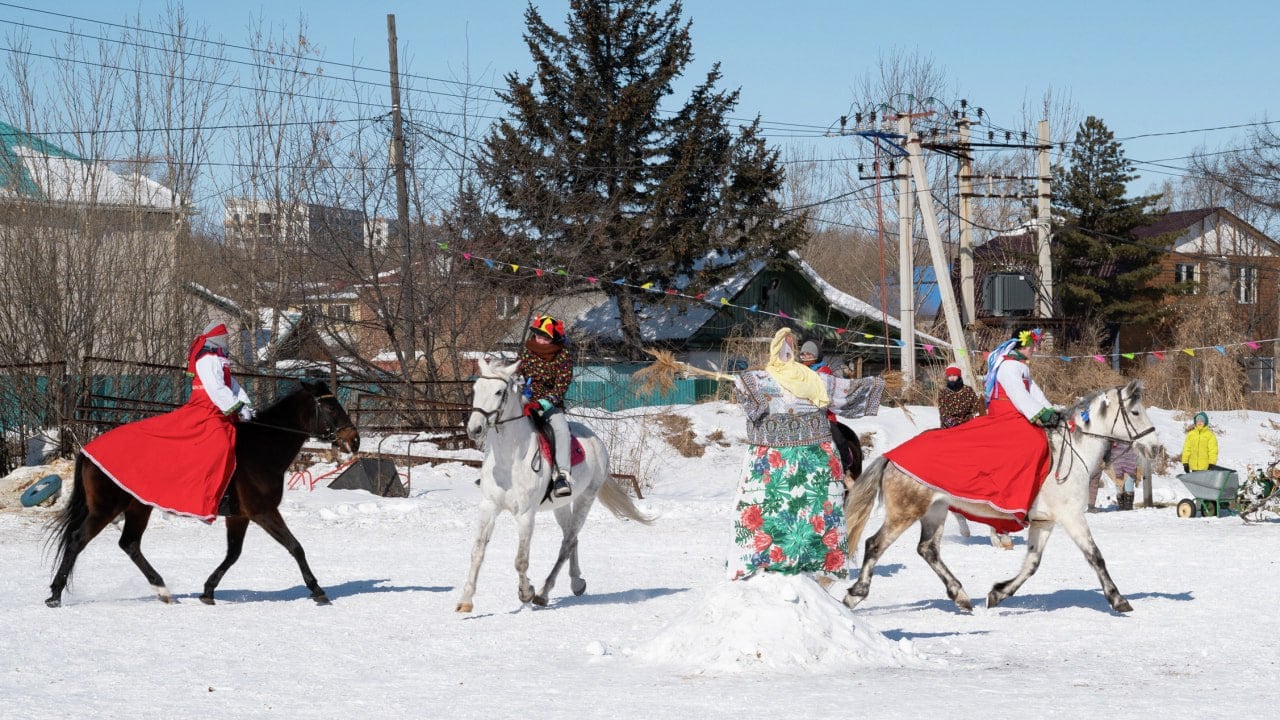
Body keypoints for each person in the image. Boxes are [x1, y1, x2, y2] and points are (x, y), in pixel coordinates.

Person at [728, 328, 886, 583]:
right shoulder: (759, 378)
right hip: (773, 460)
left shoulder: (817, 377)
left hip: (816, 441)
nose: (791, 353)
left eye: (794, 348)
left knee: (839, 440)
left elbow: (848, 391)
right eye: (787, 348)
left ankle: (846, 470)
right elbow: (748, 398)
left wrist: (874, 383)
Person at [883, 328, 1060, 535]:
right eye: (1034, 346)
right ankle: (1010, 495)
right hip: (1007, 416)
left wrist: (1054, 411)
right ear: (1026, 345)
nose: (1035, 350)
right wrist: (1042, 414)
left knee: (1039, 438)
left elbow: (1035, 394)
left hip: (1017, 416)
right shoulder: (1008, 366)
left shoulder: (1021, 367)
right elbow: (1019, 396)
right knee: (1032, 441)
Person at [81, 322, 255, 522]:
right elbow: (215, 388)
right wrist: (236, 406)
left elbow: (232, 386)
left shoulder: (220, 360)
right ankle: (206, 495)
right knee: (220, 444)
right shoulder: (207, 359)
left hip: (219, 410)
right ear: (217, 339)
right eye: (225, 339)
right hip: (205, 410)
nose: (227, 343)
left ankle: (232, 491)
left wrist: (246, 405)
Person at [517, 313, 575, 499]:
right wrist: (519, 387)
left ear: (553, 338)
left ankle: (562, 476)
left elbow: (562, 384)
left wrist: (546, 402)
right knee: (502, 421)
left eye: (545, 337)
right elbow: (518, 372)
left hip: (549, 404)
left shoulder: (563, 356)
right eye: (538, 335)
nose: (540, 340)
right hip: (526, 400)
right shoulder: (527, 352)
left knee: (561, 429)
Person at [798, 339, 857, 481]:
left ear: (816, 355)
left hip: (823, 415)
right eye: (803, 354)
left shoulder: (824, 372)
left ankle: (845, 466)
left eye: (809, 354)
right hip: (802, 414)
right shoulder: (798, 371)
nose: (805, 357)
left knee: (838, 439)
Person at [937, 365, 982, 429]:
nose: (952, 378)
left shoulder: (968, 390)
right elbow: (943, 411)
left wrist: (969, 419)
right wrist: (953, 423)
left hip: (968, 423)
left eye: (954, 375)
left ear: (959, 376)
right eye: (949, 376)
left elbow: (975, 406)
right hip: (950, 426)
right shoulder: (943, 392)